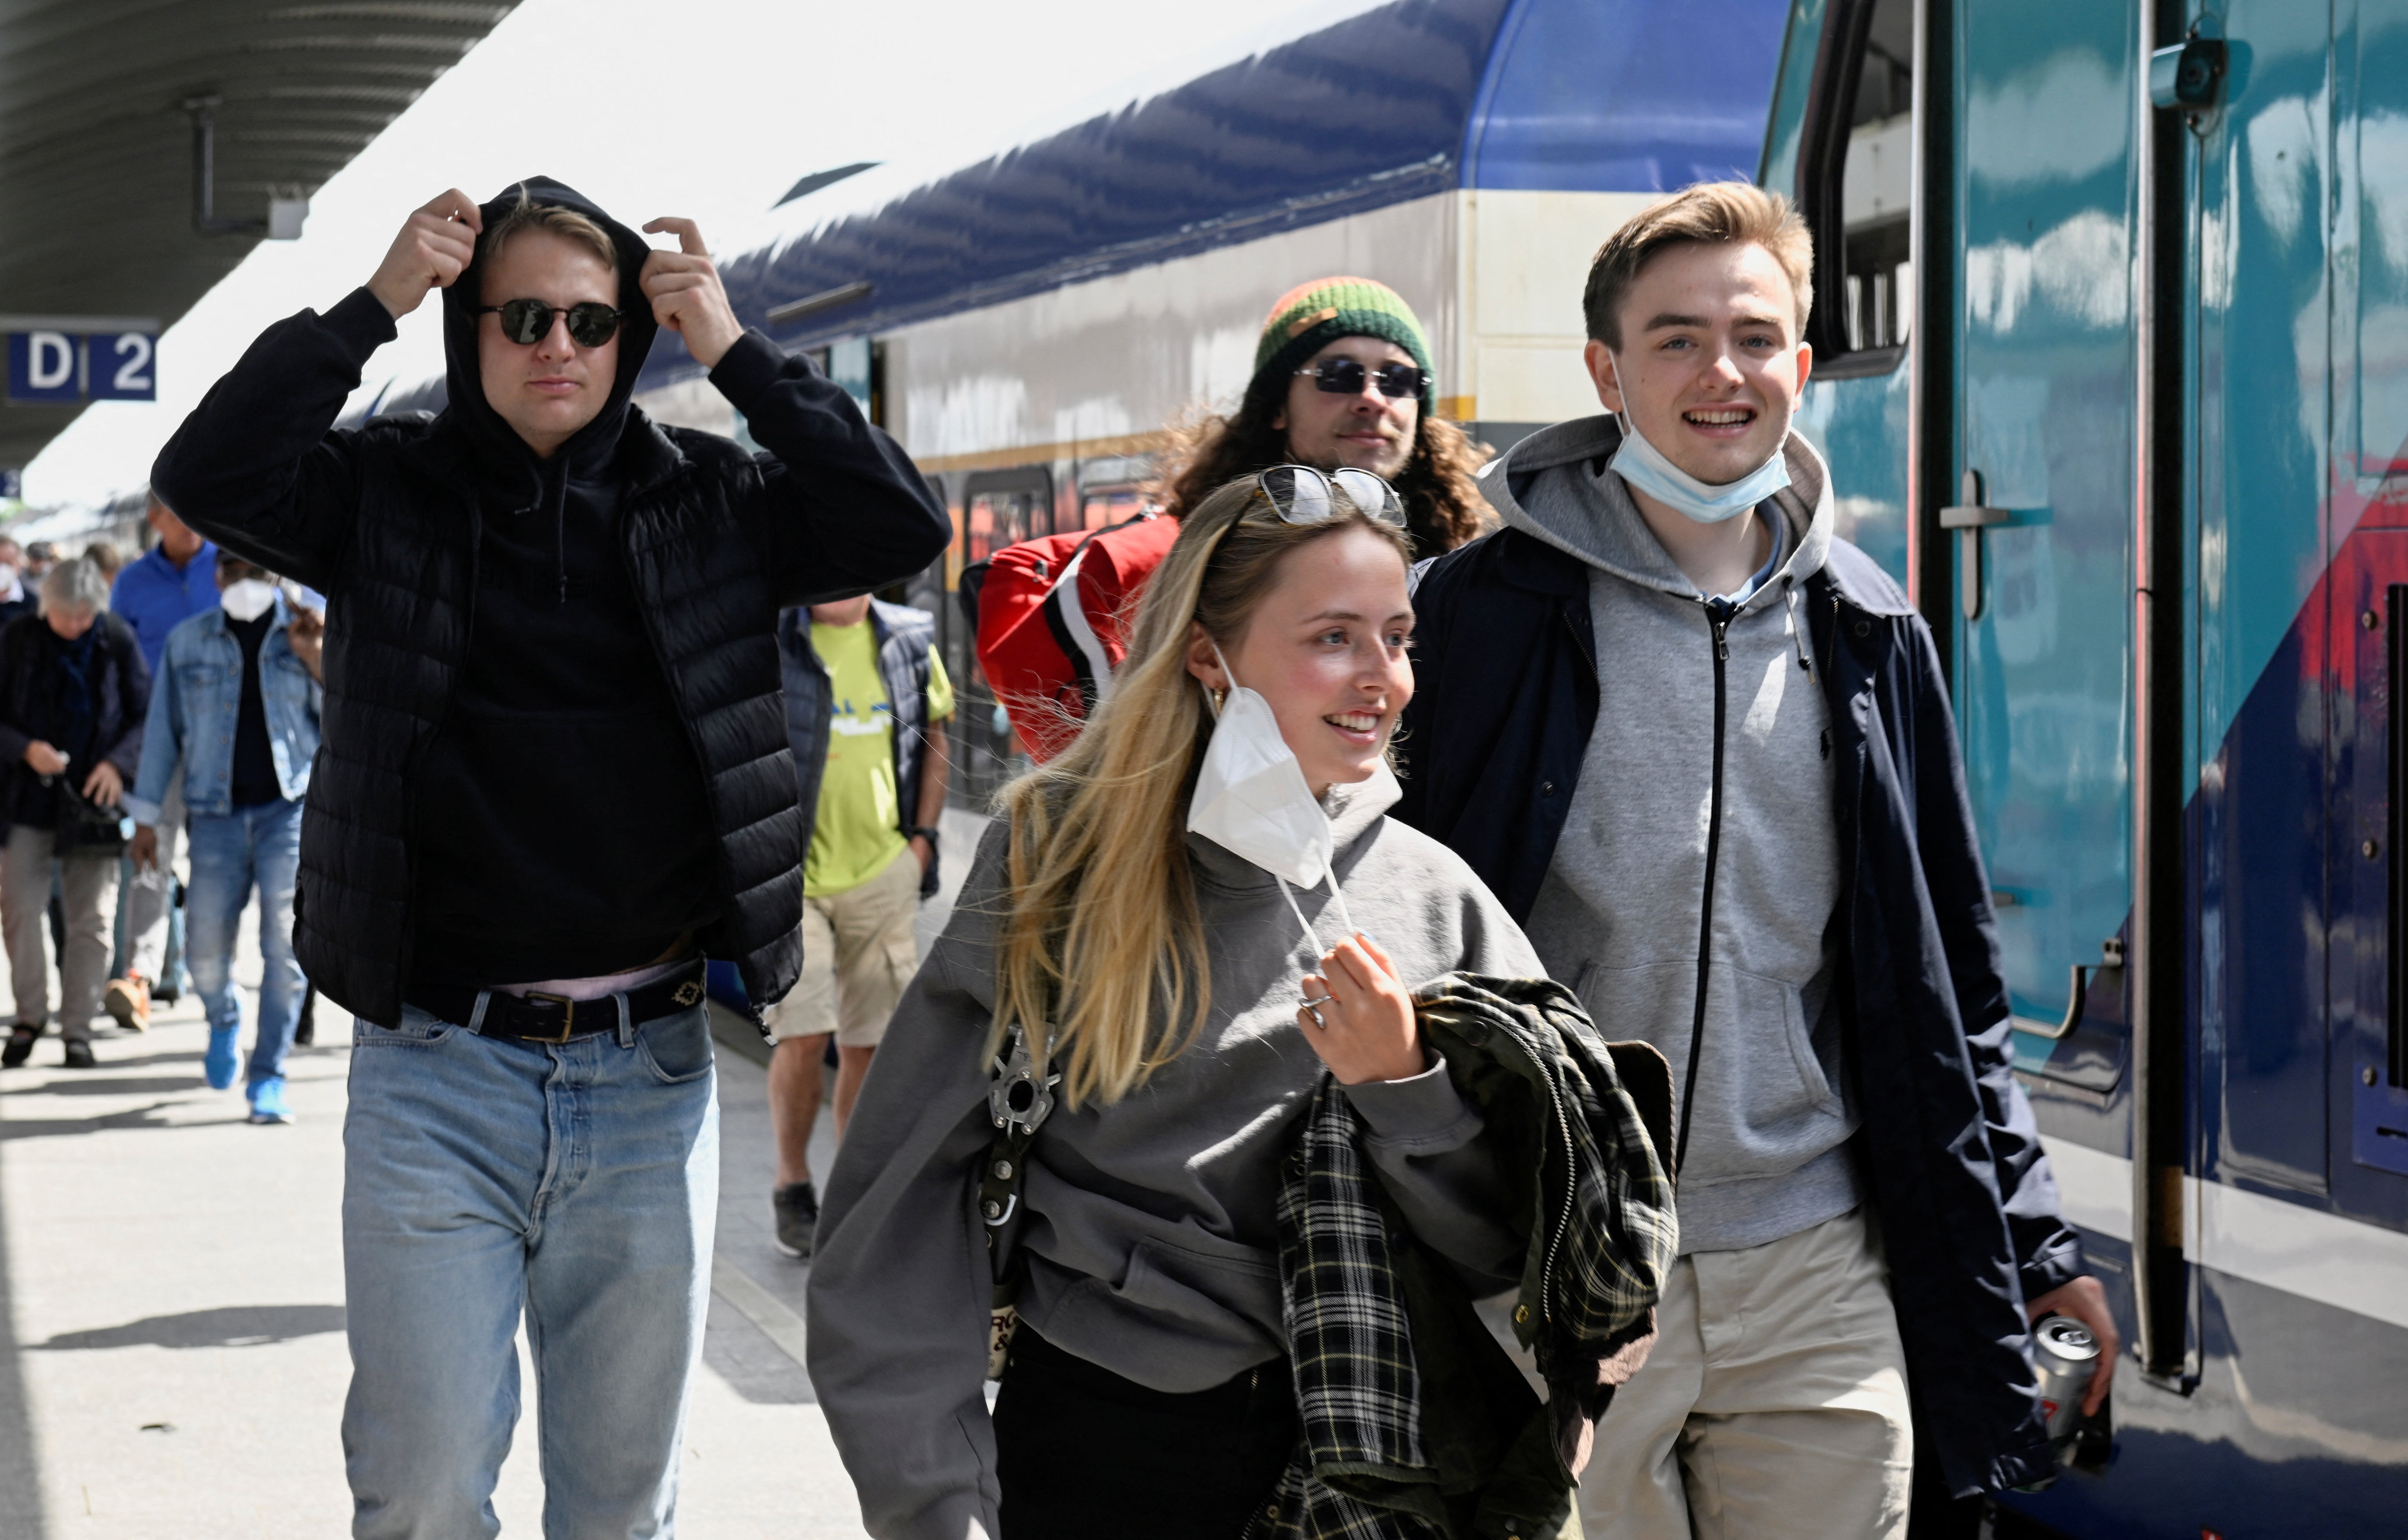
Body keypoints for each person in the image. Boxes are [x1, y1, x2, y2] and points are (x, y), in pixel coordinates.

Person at [148, 179, 949, 1536]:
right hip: (435, 1071)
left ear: (632, 337)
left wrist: (741, 351)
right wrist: (371, 304)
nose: (557, 346)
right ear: (469, 328)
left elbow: (899, 526)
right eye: (521, 317)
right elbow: (209, 473)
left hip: (646, 1078)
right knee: (419, 1487)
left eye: (588, 319)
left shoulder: (713, 500)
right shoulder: (383, 491)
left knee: (620, 1501)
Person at [1394, 181, 2121, 1538]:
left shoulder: (1870, 627)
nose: (1717, 372)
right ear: (1606, 372)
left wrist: (2031, 1236)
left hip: (1817, 1269)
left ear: (1799, 363)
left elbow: (1948, 976)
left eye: (1751, 336)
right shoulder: (1470, 617)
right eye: (1673, 339)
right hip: (1555, 1260)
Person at [808, 469, 1672, 1538]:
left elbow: (1514, 1254)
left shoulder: (1435, 895)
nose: (1385, 680)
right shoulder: (1056, 858)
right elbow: (894, 1215)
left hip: (1380, 1464)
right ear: (1208, 656)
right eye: (1332, 638)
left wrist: (1407, 1088)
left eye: (1397, 637)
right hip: (1106, 1456)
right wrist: (934, 1507)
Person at [763, 591, 953, 1258]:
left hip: (882, 872)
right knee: (805, 1035)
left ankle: (850, 1193)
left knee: (871, 1044)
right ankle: (793, 1183)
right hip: (798, 880)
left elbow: (937, 733)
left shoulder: (907, 639)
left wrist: (922, 841)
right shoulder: (776, 639)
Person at [125, 553, 322, 1123]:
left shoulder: (302, 635)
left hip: (287, 811)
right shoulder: (189, 642)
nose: (245, 582)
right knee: (206, 954)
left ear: (278, 576)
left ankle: (268, 1075)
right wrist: (145, 820)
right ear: (218, 577)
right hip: (213, 815)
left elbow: (343, 719)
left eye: (258, 572)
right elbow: (163, 732)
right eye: (234, 569)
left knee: (286, 953)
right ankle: (223, 1017)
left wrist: (316, 655)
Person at [1156, 277, 1492, 561]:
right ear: (1278, 408)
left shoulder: (1459, 578)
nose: (1372, 399)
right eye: (1339, 374)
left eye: (1398, 380)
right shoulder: (1181, 563)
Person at [0, 559, 148, 1070]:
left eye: (84, 618)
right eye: (66, 618)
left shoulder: (115, 638)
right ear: (47, 608)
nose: (76, 626)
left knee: (93, 920)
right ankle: (29, 1016)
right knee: (20, 910)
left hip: (94, 804)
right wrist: (24, 748)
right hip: (26, 800)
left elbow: (144, 714)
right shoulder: (18, 638)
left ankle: (78, 1028)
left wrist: (117, 764)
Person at [104, 496, 221, 1033]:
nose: (194, 523)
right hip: (159, 743)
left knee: (220, 860)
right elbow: (116, 669)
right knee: (150, 852)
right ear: (155, 519)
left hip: (224, 740)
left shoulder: (229, 564)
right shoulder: (130, 584)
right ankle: (140, 975)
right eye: (180, 512)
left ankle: (213, 971)